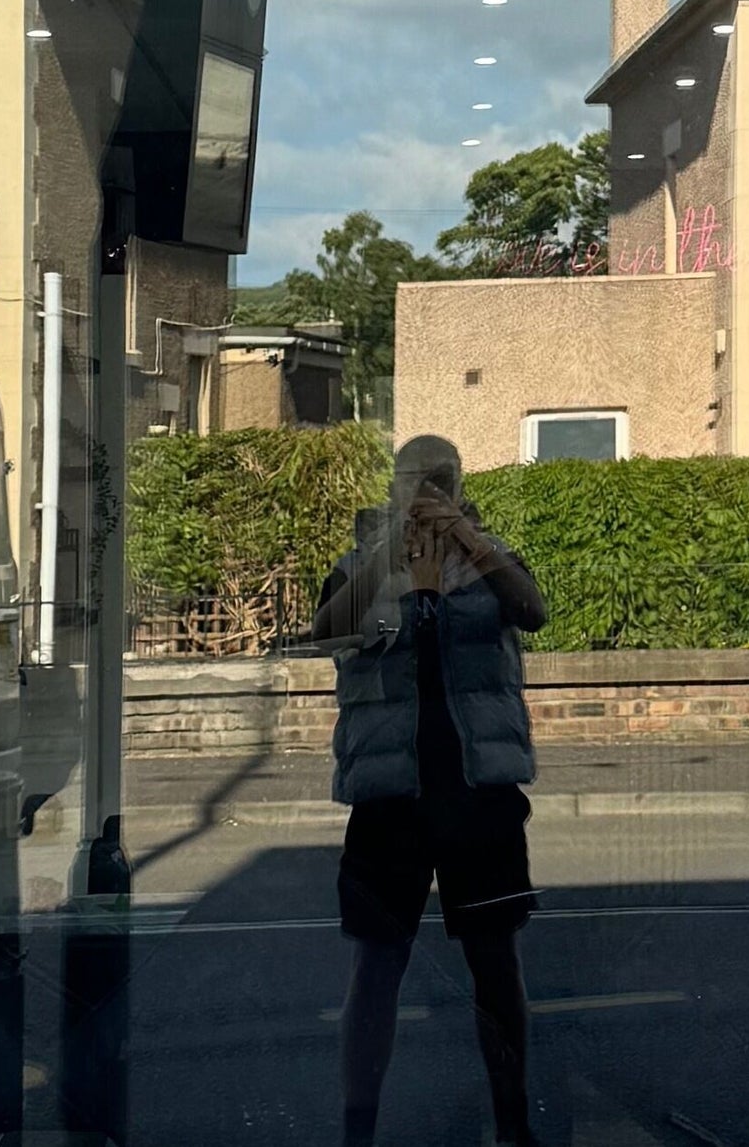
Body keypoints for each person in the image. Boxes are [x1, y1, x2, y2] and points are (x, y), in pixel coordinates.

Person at [309, 434, 548, 1147]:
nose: (431, 492)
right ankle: (359, 1133)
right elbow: (327, 631)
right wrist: (393, 548)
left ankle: (513, 1125)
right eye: (419, 479)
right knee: (376, 965)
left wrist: (467, 537)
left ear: (462, 482)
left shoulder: (490, 556)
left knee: (495, 961)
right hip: (392, 796)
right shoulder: (360, 564)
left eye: (443, 479)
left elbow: (532, 609)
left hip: (479, 791)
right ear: (394, 484)